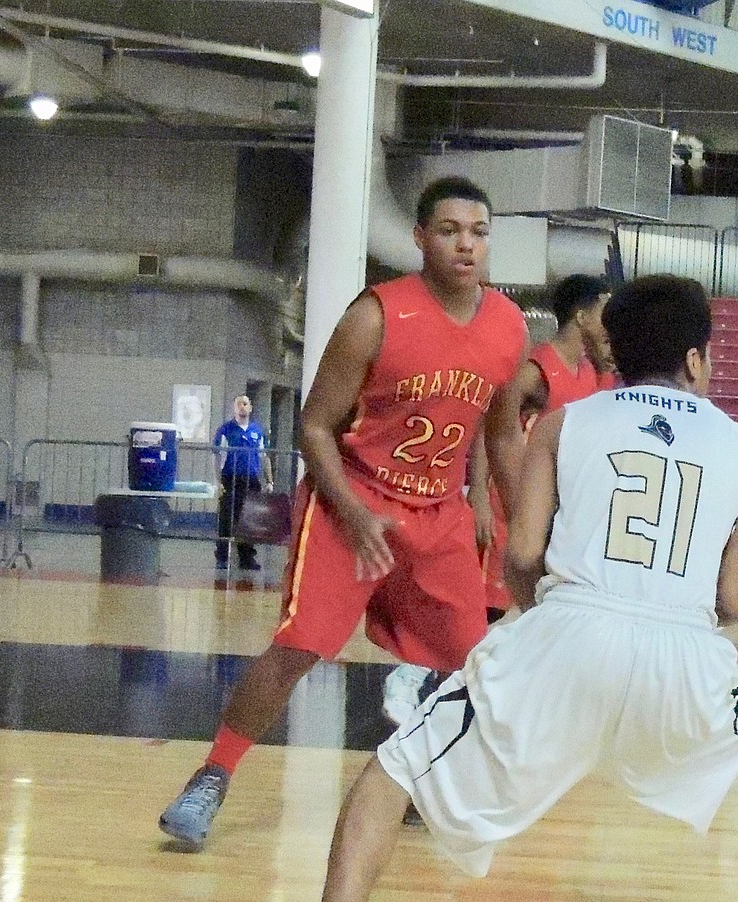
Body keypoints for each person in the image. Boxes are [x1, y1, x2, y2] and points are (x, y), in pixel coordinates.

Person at [240, 274, 738, 902]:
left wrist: (558, 623)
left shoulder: (565, 425)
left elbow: (523, 552)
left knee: (395, 766)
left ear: (616, 349)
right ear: (698, 361)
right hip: (683, 645)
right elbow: (736, 601)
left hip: (570, 625)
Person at [158, 176, 529, 849]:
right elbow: (314, 426)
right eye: (449, 230)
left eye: (477, 231)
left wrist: (529, 522)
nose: (466, 244)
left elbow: (501, 435)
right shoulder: (377, 315)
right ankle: (213, 774)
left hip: (437, 512)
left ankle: (415, 775)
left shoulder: (508, 326)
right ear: (420, 238)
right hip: (351, 503)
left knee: (473, 666)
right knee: (299, 647)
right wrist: (354, 512)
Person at [471, 273, 615, 617]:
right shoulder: (537, 368)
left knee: (537, 604)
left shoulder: (591, 371)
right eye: (602, 310)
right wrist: (478, 494)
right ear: (581, 315)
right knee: (486, 607)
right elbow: (491, 425)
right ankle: (417, 672)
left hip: (552, 502)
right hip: (511, 495)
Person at [213, 394, 273, 571]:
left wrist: (269, 480)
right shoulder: (225, 429)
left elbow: (264, 456)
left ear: (250, 407)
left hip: (251, 480)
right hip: (230, 478)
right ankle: (222, 556)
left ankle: (247, 558)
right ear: (234, 408)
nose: (242, 407)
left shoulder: (257, 431)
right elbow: (216, 456)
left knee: (249, 520)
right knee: (226, 518)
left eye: (245, 404)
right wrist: (218, 481)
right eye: (239, 404)